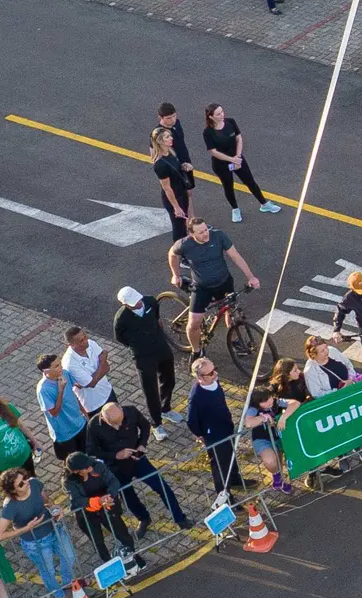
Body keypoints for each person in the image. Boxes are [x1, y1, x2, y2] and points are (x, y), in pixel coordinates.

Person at [87, 401, 190, 532]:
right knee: (128, 496)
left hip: (137, 459)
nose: (119, 426)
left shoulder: (131, 411)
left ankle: (180, 518)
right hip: (116, 467)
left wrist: (142, 444)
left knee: (162, 487)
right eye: (114, 424)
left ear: (122, 411)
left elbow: (146, 426)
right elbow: (92, 451)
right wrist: (116, 455)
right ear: (104, 418)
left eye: (121, 421)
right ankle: (143, 518)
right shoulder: (94, 426)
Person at [167, 217, 260, 353]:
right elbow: (172, 254)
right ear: (191, 234)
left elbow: (235, 256)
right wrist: (175, 274)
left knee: (232, 312)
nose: (205, 234)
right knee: (194, 323)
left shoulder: (218, 236)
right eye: (200, 232)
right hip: (202, 288)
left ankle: (234, 340)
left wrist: (251, 277)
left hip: (224, 282)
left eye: (206, 230)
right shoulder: (184, 244)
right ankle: (196, 351)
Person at [0, 469, 75, 598]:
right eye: (21, 484)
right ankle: (60, 597)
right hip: (36, 542)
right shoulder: (10, 506)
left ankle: (67, 582)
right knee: (48, 571)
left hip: (54, 529)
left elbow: (46, 501)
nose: (26, 482)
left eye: (25, 478)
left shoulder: (34, 483)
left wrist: (55, 508)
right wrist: (26, 528)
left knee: (70, 556)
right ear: (12, 491)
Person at [111, 286, 177, 435]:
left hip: (160, 347)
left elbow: (157, 316)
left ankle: (165, 408)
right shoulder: (121, 319)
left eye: (138, 299)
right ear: (125, 305)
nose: (139, 303)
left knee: (169, 379)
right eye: (134, 303)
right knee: (150, 390)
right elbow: (120, 337)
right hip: (143, 356)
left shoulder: (150, 301)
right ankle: (156, 423)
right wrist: (137, 344)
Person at [63, 451, 145, 569]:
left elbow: (113, 481)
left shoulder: (97, 466)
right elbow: (76, 500)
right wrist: (98, 501)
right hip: (86, 514)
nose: (90, 466)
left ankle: (134, 556)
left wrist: (109, 496)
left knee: (123, 534)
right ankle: (112, 567)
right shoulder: (69, 481)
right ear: (77, 471)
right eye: (86, 467)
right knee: (98, 542)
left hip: (107, 507)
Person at [201, 103, 281, 223]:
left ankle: (264, 204)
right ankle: (235, 209)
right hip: (222, 164)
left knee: (250, 181)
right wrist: (232, 160)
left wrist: (238, 156)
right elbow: (213, 151)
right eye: (218, 114)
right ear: (211, 117)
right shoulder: (208, 132)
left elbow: (239, 138)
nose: (222, 115)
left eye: (222, 111)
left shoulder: (230, 122)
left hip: (237, 158)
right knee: (228, 186)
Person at [184, 358, 244, 501]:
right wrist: (201, 434)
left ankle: (234, 478)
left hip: (226, 426)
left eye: (214, 369)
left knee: (231, 453)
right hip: (214, 435)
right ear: (200, 377)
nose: (215, 374)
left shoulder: (214, 382)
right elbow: (191, 420)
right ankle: (224, 494)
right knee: (220, 465)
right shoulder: (197, 396)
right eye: (210, 373)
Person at [240, 389, 296, 493]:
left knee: (279, 460)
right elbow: (248, 422)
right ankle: (277, 476)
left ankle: (280, 480)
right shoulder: (253, 409)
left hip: (278, 436)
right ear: (257, 403)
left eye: (269, 397)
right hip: (262, 438)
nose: (269, 401)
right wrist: (264, 418)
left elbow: (295, 403)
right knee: (270, 461)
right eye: (264, 401)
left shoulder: (276, 401)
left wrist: (284, 417)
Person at [35, 353, 90, 462]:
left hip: (80, 423)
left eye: (59, 364)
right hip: (65, 433)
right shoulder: (43, 390)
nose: (61, 367)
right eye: (56, 366)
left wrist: (85, 414)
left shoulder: (65, 373)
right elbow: (54, 413)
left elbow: (73, 395)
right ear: (46, 371)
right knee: (73, 462)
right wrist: (60, 390)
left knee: (87, 455)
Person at [149, 125, 193, 241]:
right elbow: (167, 188)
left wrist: (184, 166)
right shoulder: (160, 164)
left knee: (183, 225)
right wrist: (176, 207)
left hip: (181, 193)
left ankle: (184, 253)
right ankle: (177, 255)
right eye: (167, 137)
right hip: (174, 197)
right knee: (178, 229)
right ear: (160, 141)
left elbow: (175, 169)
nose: (171, 138)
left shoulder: (171, 153)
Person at [301, 334, 359, 398]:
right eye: (322, 351)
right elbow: (317, 394)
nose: (326, 351)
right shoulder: (310, 371)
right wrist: (339, 391)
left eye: (326, 347)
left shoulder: (332, 351)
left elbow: (348, 364)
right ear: (313, 355)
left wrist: (351, 379)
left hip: (353, 388)